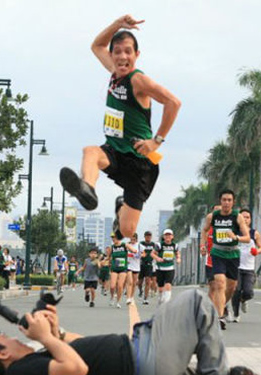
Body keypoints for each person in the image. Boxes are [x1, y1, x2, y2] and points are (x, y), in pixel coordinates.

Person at [0, 289, 261, 375]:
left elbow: (77, 350)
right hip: (142, 366)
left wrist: (56, 334)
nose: (17, 339)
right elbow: (77, 368)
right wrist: (44, 338)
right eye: (10, 340)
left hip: (145, 371)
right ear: (1, 353)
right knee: (197, 302)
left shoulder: (29, 369)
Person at [59, 14, 181, 242]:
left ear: (137, 55)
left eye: (128, 51)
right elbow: (96, 45)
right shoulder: (115, 73)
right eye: (117, 51)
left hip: (140, 160)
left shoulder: (138, 80)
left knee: (126, 231)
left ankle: (120, 206)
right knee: (90, 152)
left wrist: (156, 140)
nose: (122, 57)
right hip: (114, 149)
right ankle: (87, 190)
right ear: (112, 55)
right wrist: (117, 24)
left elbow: (174, 103)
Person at [200, 191, 250, 330]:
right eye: (224, 200)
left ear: (233, 202)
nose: (226, 202)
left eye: (229, 200)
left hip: (233, 254)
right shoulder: (213, 216)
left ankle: (222, 305)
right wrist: (203, 245)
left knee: (231, 287)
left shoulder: (237, 217)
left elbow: (247, 238)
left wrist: (236, 237)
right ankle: (220, 317)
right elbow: (204, 230)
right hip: (217, 253)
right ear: (220, 201)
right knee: (220, 283)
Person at [230, 208, 261, 323]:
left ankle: (244, 300)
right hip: (236, 266)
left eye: (247, 217)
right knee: (236, 290)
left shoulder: (254, 233)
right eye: (243, 217)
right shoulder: (234, 232)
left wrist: (257, 251)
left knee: (248, 292)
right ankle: (236, 314)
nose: (245, 219)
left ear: (250, 219)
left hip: (249, 267)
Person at [151, 228, 181, 305]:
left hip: (170, 268)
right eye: (166, 235)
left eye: (169, 235)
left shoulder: (175, 245)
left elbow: (177, 253)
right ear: (164, 236)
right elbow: (152, 254)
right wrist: (158, 258)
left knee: (168, 285)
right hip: (160, 268)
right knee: (160, 288)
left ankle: (167, 303)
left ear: (172, 236)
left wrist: (178, 259)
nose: (168, 236)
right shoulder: (159, 245)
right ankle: (160, 298)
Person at [109, 234, 138, 308]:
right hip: (114, 268)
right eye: (112, 238)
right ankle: (112, 297)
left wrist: (134, 251)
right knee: (112, 286)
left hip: (123, 268)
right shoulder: (112, 247)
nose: (113, 239)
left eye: (115, 237)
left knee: (120, 285)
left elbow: (133, 250)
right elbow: (109, 257)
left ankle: (118, 301)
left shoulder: (124, 245)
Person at [138, 230, 157, 304]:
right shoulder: (141, 244)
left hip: (149, 264)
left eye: (149, 236)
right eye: (147, 236)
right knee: (139, 282)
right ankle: (140, 290)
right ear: (145, 236)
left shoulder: (153, 245)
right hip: (142, 264)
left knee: (148, 281)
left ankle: (145, 298)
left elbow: (156, 253)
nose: (148, 237)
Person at [126, 233, 144, 305]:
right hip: (128, 265)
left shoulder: (139, 246)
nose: (132, 240)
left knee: (134, 283)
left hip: (136, 266)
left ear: (136, 239)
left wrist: (139, 255)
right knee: (129, 282)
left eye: (134, 239)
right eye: (131, 239)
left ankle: (131, 297)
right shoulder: (127, 245)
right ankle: (128, 298)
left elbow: (144, 254)